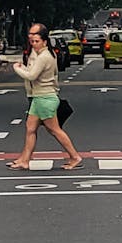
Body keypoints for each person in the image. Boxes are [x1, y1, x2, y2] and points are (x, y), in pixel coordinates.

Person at [8, 23, 83, 170]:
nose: (34, 44)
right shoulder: (41, 54)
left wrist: (17, 69)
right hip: (39, 97)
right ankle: (25, 160)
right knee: (30, 128)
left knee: (54, 130)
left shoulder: (44, 56)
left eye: (37, 41)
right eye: (32, 41)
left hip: (45, 98)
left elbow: (32, 75)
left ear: (44, 41)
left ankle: (75, 156)